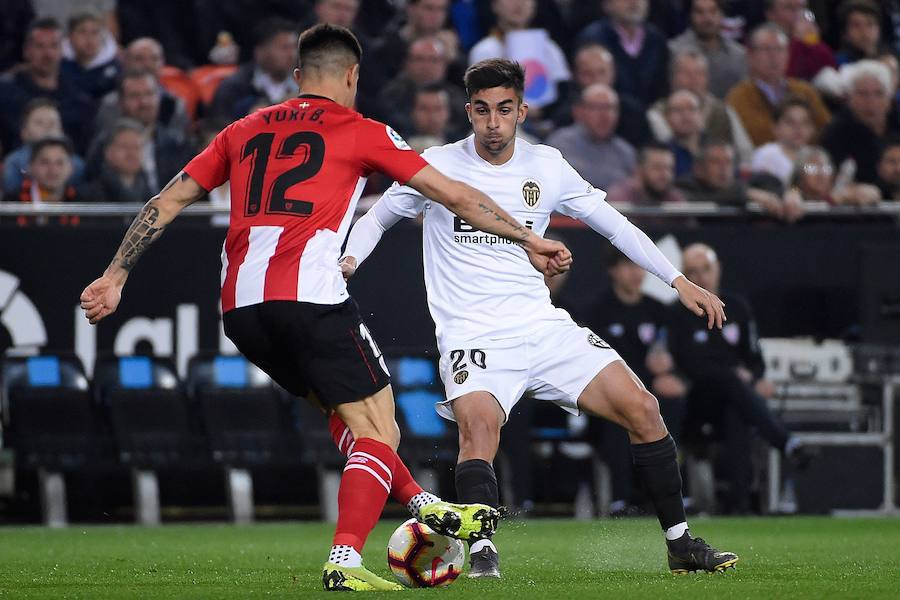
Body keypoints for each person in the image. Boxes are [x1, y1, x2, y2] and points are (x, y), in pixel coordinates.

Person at [79, 25, 570, 592]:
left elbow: (166, 201)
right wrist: (528, 239)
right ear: (352, 76)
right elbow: (455, 194)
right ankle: (345, 560)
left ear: (296, 77)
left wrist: (115, 274)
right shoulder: (362, 130)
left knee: (348, 420)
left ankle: (424, 505)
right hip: (308, 297)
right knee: (381, 428)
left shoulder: (242, 129)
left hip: (241, 309)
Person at [341, 58, 736, 579]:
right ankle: (482, 551)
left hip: (542, 328)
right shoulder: (435, 166)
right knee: (478, 430)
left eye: (504, 110)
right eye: (482, 110)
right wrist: (347, 261)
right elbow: (378, 218)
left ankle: (680, 544)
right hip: (473, 334)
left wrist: (678, 281)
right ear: (469, 112)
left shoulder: (546, 166)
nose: (493, 122)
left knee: (644, 409)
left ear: (521, 110)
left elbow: (614, 226)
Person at [669, 243, 809, 513]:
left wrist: (755, 379)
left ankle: (739, 504)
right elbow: (690, 365)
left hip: (734, 399)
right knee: (733, 384)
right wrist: (738, 377)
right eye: (692, 272)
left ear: (718, 268)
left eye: (706, 269)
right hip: (695, 402)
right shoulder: (677, 313)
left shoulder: (738, 308)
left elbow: (755, 360)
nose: (701, 277)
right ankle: (786, 442)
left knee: (738, 409)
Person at [582, 249, 687, 516]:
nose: (635, 272)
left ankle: (668, 493)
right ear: (613, 270)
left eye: (639, 266)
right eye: (628, 265)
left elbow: (672, 354)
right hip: (607, 394)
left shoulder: (658, 310)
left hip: (651, 393)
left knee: (671, 400)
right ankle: (621, 498)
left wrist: (668, 368)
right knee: (620, 412)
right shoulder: (597, 311)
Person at [0, 17, 96, 154]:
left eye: (54, 46)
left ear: (62, 51)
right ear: (26, 51)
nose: (48, 54)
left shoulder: (80, 99)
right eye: (40, 46)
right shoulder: (5, 93)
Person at [647, 50, 754, 170]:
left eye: (699, 73)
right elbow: (664, 143)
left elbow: (745, 152)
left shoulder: (723, 111)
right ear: (673, 77)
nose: (693, 79)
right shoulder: (658, 112)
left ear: (707, 78)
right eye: (686, 73)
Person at [726, 23, 830, 146]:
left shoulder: (805, 91)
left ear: (788, 55)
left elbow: (826, 130)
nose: (773, 56)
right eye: (766, 49)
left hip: (806, 161)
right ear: (750, 55)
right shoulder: (738, 98)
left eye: (780, 49)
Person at [550, 43, 653, 148]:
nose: (596, 79)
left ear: (613, 72)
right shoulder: (565, 117)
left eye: (602, 72)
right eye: (588, 73)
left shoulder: (634, 113)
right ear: (575, 76)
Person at [677, 140, 805, 222]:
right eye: (716, 162)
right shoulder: (685, 185)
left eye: (728, 162)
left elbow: (779, 184)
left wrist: (793, 192)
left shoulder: (743, 182)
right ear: (699, 168)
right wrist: (749, 194)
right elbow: (710, 199)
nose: (723, 168)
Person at [575, 0, 670, 108]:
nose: (634, 2)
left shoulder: (656, 39)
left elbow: (662, 86)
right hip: (607, 112)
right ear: (607, 5)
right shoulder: (593, 39)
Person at [822, 59, 900, 186]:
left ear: (889, 98)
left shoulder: (897, 123)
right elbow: (813, 168)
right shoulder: (836, 132)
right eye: (863, 94)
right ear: (850, 99)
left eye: (878, 94)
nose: (871, 101)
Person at [546, 83, 637, 191]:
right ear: (579, 111)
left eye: (610, 108)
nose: (605, 115)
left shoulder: (625, 152)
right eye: (597, 108)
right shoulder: (561, 143)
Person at [209, 18, 299, 120]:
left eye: (294, 47)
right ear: (260, 52)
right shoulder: (234, 88)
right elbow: (218, 128)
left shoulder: (306, 84)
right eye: (284, 48)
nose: (292, 54)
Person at [3, 97, 85, 192]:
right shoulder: (13, 163)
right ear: (24, 132)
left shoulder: (77, 164)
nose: (47, 127)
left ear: (61, 130)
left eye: (52, 123)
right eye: (39, 123)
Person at [669, 0, 747, 98]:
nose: (707, 18)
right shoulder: (674, 51)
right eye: (700, 12)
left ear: (722, 15)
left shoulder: (738, 55)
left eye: (713, 11)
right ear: (690, 16)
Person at [7, 136, 82, 226]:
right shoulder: (11, 202)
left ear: (71, 168)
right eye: (44, 162)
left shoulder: (83, 202)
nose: (52, 170)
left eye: (59, 163)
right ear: (31, 166)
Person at [80, 119, 153, 203]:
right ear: (108, 152)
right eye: (124, 146)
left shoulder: (152, 196)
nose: (131, 153)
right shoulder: (89, 197)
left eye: (136, 147)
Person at [751, 97, 816, 186]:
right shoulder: (766, 156)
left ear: (812, 128)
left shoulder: (816, 156)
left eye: (805, 122)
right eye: (790, 122)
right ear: (775, 127)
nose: (798, 128)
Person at [790, 145, 880, 205]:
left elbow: (873, 193)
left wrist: (856, 194)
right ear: (799, 174)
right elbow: (792, 191)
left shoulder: (841, 195)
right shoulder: (793, 195)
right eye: (812, 169)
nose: (821, 175)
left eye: (826, 169)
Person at [59, 11, 120, 100]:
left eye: (95, 32)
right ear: (70, 36)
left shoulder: (115, 68)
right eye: (82, 32)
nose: (89, 39)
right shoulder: (58, 64)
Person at [607, 142, 687, 206]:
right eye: (657, 168)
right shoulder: (619, 199)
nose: (665, 175)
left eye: (669, 168)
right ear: (639, 170)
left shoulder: (675, 200)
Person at [663, 90, 704, 178]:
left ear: (701, 114)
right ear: (667, 117)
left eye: (691, 109)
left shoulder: (716, 148)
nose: (685, 115)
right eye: (678, 110)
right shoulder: (661, 153)